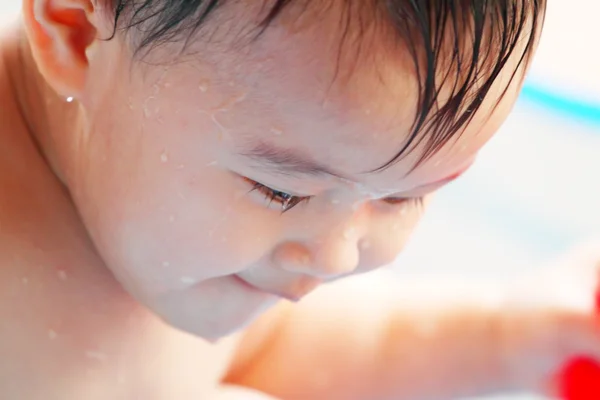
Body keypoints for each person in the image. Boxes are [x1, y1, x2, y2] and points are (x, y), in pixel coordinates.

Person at [2, 0, 598, 399]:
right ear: (78, 35)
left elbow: (270, 348)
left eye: (406, 198)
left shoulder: (182, 245)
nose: (335, 258)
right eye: (281, 191)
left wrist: (506, 338)